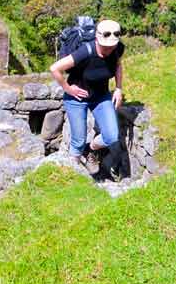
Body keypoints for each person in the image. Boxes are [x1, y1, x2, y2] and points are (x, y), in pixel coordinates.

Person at [49, 18, 126, 180]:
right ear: (97, 39)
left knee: (111, 136)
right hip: (76, 98)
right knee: (78, 139)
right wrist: (68, 88)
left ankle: (89, 150)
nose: (109, 50)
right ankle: (72, 176)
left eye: (112, 46)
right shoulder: (85, 51)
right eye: (106, 47)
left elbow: (118, 65)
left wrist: (118, 88)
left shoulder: (116, 48)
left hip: (101, 96)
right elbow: (55, 68)